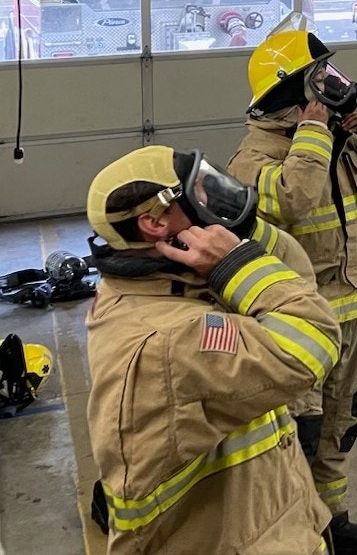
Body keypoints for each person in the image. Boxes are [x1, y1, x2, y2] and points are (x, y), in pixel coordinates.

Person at [85, 145, 341, 554]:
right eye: (200, 192)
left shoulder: (161, 283)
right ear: (154, 223)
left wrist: (240, 232)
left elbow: (298, 276)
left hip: (258, 521)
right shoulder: (173, 338)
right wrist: (237, 263)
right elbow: (313, 342)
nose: (216, 197)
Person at [227, 22, 357, 553]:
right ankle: (297, 533)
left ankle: (332, 520)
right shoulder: (253, 160)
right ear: (293, 90)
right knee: (298, 433)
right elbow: (291, 202)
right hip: (298, 323)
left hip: (350, 308)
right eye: (319, 76)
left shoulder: (332, 138)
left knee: (344, 417)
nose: (332, 83)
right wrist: (314, 134)